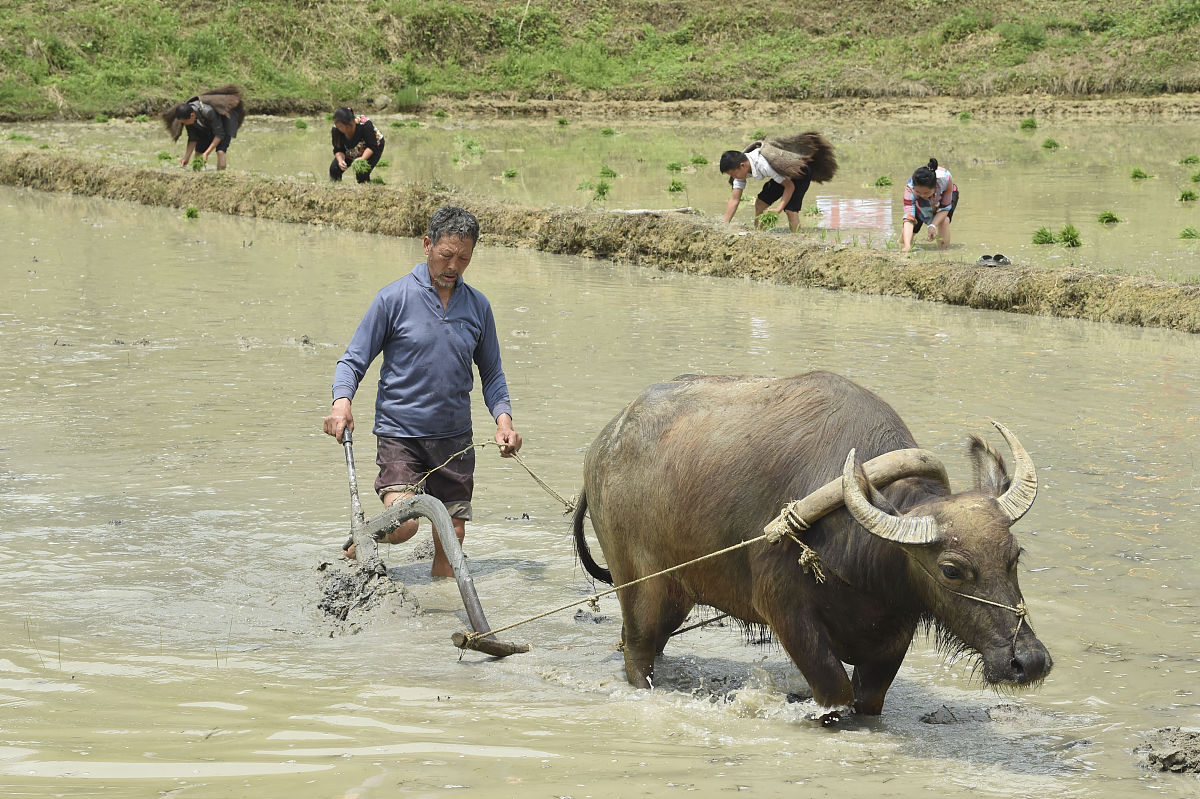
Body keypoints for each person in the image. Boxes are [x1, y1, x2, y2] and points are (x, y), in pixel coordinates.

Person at [323, 206, 522, 578]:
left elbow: (492, 373)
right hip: (401, 435)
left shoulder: (478, 307)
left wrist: (504, 421)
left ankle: (439, 621)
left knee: (452, 535)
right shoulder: (392, 299)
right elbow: (353, 361)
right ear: (427, 245)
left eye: (464, 258)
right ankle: (354, 550)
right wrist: (341, 404)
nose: (454, 266)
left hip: (455, 440)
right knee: (405, 523)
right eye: (447, 255)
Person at [719, 132, 837, 232]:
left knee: (790, 210)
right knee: (760, 203)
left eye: (734, 174)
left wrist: (778, 209)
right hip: (782, 174)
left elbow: (789, 186)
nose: (734, 177)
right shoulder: (741, 170)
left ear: (742, 166)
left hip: (800, 172)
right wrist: (725, 225)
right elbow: (734, 199)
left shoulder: (763, 164)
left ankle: (797, 238)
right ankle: (759, 233)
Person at [162, 85, 245, 171]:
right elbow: (192, 138)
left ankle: (220, 176)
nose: (184, 124)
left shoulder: (208, 111)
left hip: (223, 125)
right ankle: (196, 175)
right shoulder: (189, 119)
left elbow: (219, 134)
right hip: (205, 127)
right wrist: (186, 157)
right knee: (198, 153)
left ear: (192, 115)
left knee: (220, 152)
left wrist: (206, 153)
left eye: (184, 122)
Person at [900, 158, 958, 253]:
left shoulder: (946, 179)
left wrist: (933, 226)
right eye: (919, 192)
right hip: (920, 197)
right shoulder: (910, 189)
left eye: (926, 193)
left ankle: (944, 254)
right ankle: (902, 246)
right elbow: (908, 218)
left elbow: (945, 207)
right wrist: (907, 246)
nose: (923, 195)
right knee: (914, 223)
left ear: (935, 186)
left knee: (944, 220)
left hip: (944, 194)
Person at [329, 107, 385, 183]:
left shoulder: (365, 124)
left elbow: (372, 146)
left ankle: (369, 189)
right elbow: (338, 149)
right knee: (334, 169)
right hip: (350, 150)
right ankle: (336, 190)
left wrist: (362, 158)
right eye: (338, 126)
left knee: (361, 173)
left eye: (341, 126)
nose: (339, 128)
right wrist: (340, 160)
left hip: (372, 147)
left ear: (350, 124)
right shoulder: (336, 130)